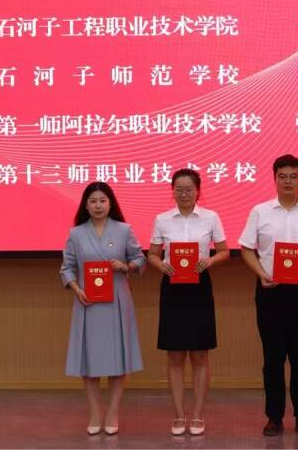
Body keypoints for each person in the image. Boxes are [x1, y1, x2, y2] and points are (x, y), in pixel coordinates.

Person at [239, 154, 298, 436]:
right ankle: (274, 416)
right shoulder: (260, 212)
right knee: (272, 359)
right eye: (283, 176)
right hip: (271, 290)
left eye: (294, 176)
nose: (288, 181)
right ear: (275, 179)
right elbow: (246, 248)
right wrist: (260, 273)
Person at [146, 168, 228, 436]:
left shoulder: (210, 217)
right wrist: (161, 265)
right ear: (172, 191)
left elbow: (224, 251)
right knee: (175, 354)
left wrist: (210, 260)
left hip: (199, 286)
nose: (183, 194)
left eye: (189, 189)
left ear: (198, 191)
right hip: (172, 287)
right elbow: (153, 255)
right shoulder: (162, 219)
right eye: (178, 190)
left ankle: (198, 415)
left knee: (201, 353)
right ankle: (179, 415)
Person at [59, 182, 145, 436]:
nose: (98, 205)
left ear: (110, 204)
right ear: (86, 205)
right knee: (89, 362)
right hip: (88, 303)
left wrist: (126, 266)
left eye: (103, 201)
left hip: (117, 302)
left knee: (118, 361)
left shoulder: (124, 230)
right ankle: (95, 413)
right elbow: (67, 268)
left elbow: (139, 259)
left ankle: (113, 413)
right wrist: (77, 289)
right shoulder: (76, 234)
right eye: (93, 201)